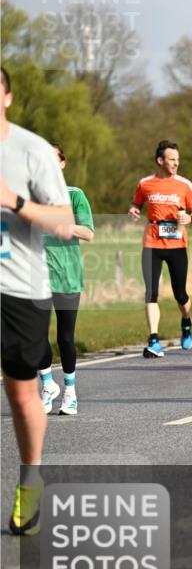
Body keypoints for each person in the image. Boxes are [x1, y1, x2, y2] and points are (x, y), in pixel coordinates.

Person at [1, 66, 74, 534]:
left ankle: (31, 477)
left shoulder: (31, 150)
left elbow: (65, 223)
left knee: (21, 389)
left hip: (18, 286)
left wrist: (16, 203)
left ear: (6, 97)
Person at [128, 140, 192, 358]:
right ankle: (154, 340)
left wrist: (189, 217)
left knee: (180, 294)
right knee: (151, 292)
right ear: (160, 161)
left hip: (177, 244)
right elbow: (136, 204)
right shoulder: (145, 184)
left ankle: (186, 322)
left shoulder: (185, 185)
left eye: (178, 159)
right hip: (152, 243)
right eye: (172, 159)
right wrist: (133, 211)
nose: (176, 163)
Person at [38, 142, 95, 416]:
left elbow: (89, 233)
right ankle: (48, 384)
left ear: (62, 163)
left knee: (65, 338)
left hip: (68, 277)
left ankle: (70, 391)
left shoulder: (74, 195)